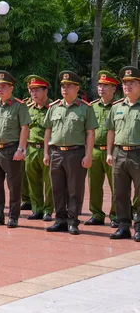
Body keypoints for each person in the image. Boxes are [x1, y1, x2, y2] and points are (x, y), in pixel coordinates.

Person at [43, 71, 97, 235]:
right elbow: (48, 131)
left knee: (75, 189)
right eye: (63, 86)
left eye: (69, 86)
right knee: (57, 189)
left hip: (76, 153)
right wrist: (46, 153)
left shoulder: (85, 108)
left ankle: (73, 221)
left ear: (77, 88)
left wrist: (88, 155)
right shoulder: (54, 108)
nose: (65, 89)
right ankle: (60, 220)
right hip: (56, 152)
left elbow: (90, 133)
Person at [0, 70, 30, 228]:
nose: (0, 89)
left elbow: (24, 128)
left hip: (11, 149)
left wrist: (21, 149)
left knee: (14, 185)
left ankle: (13, 216)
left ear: (11, 88)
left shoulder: (19, 106)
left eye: (3, 86)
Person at [107, 66, 140, 241]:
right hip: (119, 153)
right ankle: (123, 226)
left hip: (138, 153)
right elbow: (111, 131)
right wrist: (110, 153)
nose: (127, 86)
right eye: (125, 83)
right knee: (120, 192)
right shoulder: (117, 106)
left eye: (132, 82)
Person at [86, 71, 119, 226]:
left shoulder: (119, 107)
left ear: (114, 88)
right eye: (100, 85)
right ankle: (97, 214)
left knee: (116, 185)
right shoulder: (91, 107)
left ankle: (115, 215)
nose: (101, 88)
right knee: (94, 184)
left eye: (105, 85)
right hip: (94, 150)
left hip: (113, 152)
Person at [24, 75, 54, 221]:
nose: (33, 93)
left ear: (45, 90)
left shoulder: (54, 108)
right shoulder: (28, 109)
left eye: (37, 90)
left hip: (47, 150)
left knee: (49, 182)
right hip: (31, 149)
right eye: (31, 90)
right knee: (33, 181)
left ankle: (48, 210)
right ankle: (37, 209)